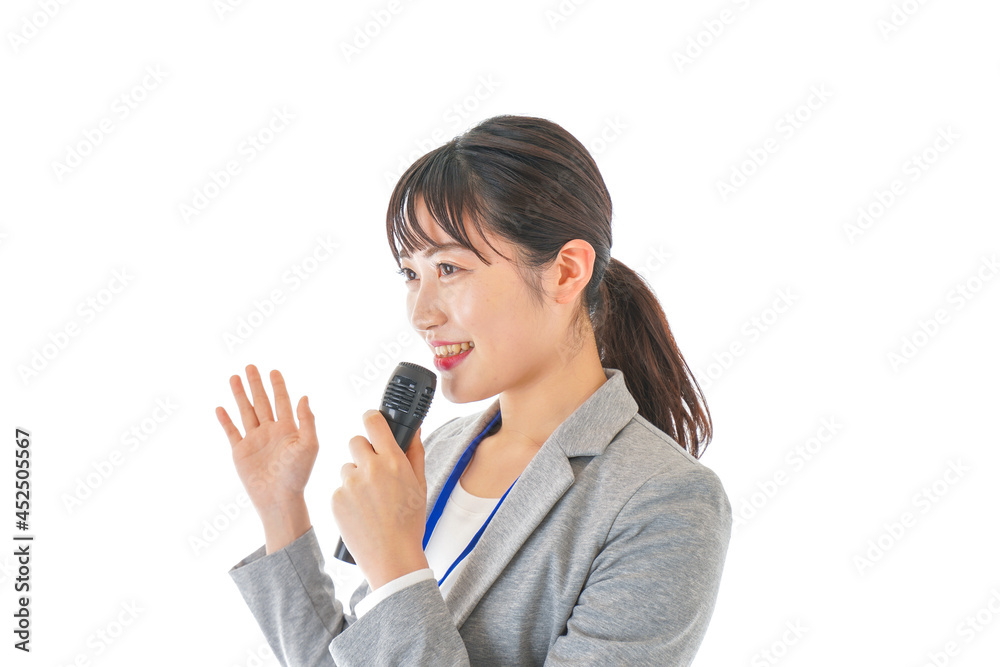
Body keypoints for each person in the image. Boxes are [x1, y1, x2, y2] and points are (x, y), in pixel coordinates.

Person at [219, 115, 732, 665]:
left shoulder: (665, 500)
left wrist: (395, 567)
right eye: (410, 274)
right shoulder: (439, 451)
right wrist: (281, 509)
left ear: (565, 272)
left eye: (448, 268)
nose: (422, 314)